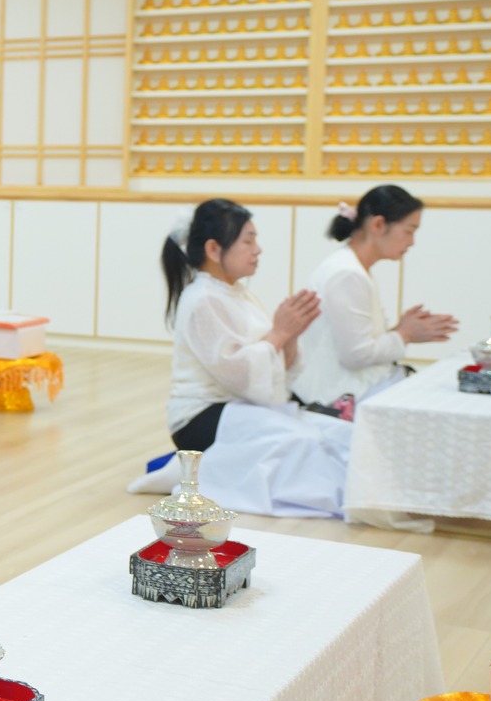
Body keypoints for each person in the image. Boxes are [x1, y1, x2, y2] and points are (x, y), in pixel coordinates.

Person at [158, 198, 351, 517]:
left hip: (239, 407)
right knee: (303, 440)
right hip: (201, 418)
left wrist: (290, 335)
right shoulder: (202, 299)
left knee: (335, 433)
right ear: (213, 249)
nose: (257, 249)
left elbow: (271, 366)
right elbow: (237, 374)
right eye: (248, 241)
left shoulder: (239, 293)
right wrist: (279, 333)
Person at [294, 186, 456, 412]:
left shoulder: (352, 268)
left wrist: (400, 331)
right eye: (409, 231)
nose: (412, 242)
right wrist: (405, 334)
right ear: (378, 225)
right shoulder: (347, 273)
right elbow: (355, 356)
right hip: (336, 397)